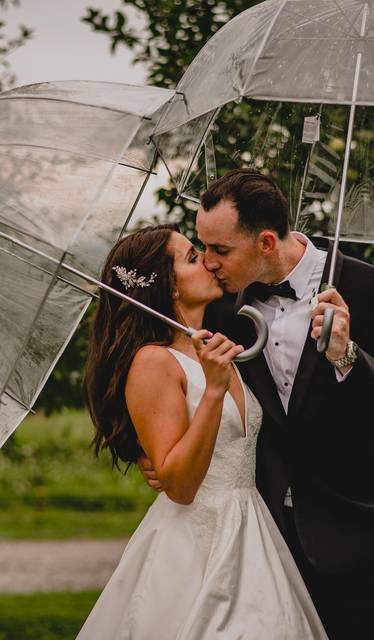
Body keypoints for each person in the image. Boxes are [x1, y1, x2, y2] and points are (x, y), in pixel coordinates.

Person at [139, 169, 374, 639]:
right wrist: (151, 452)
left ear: (264, 243)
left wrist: (349, 357)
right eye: (203, 249)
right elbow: (161, 373)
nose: (210, 263)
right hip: (258, 548)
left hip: (357, 541)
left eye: (220, 251)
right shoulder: (216, 306)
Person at [79, 224, 328, 639]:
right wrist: (213, 390)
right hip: (197, 542)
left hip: (253, 527)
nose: (209, 262)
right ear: (170, 288)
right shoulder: (153, 362)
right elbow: (179, 485)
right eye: (193, 258)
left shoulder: (218, 344)